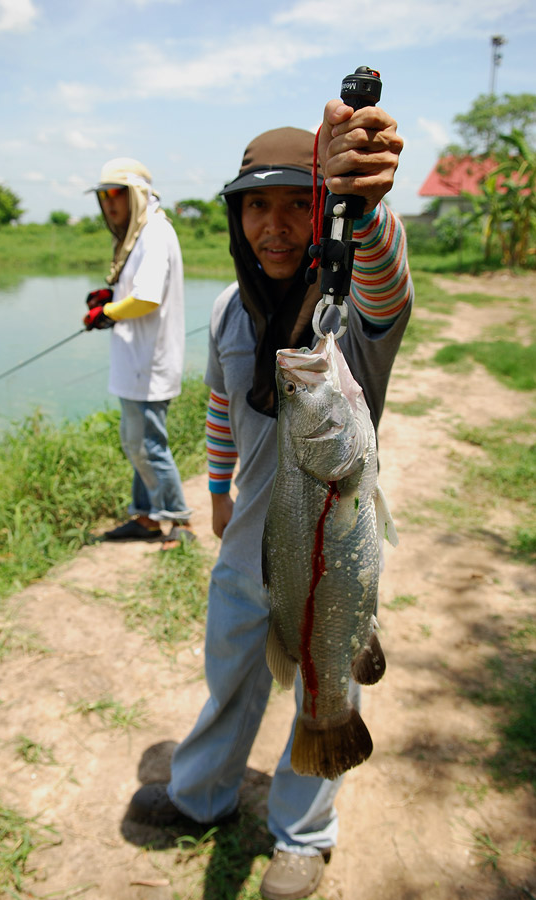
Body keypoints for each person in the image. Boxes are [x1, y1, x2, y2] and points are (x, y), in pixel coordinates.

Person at [129, 97, 412, 900]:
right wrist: (217, 490)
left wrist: (367, 207)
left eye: (298, 203)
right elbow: (221, 407)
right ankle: (199, 796)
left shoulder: (348, 314)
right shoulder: (226, 308)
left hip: (330, 556)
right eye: (258, 204)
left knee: (327, 681)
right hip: (246, 550)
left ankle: (303, 834)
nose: (276, 224)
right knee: (230, 679)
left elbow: (388, 296)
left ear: (321, 211)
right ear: (236, 215)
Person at [83, 158, 194, 547]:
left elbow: (146, 297)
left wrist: (107, 312)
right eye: (103, 196)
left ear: (137, 195)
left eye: (116, 194)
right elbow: (134, 288)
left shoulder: (156, 234)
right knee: (137, 442)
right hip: (135, 362)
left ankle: (180, 521)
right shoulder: (139, 234)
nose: (109, 203)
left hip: (149, 362)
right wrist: (110, 298)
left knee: (147, 445)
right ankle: (146, 518)